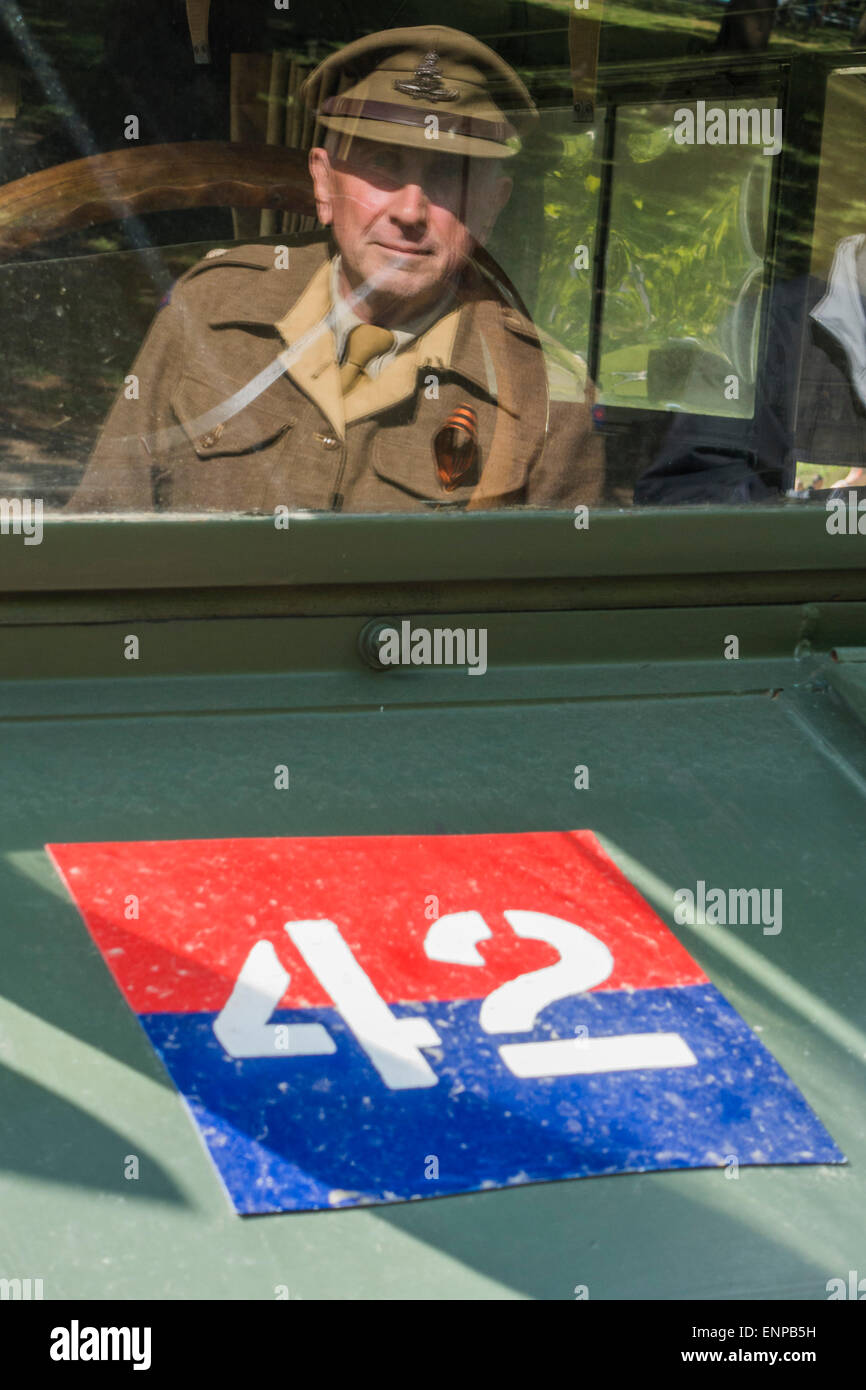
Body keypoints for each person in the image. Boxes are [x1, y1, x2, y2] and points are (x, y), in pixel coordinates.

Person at [68, 26, 603, 514]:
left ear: (489, 207)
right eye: (382, 164)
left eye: (447, 175)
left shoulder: (542, 392)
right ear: (323, 184)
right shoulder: (211, 311)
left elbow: (550, 608)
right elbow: (99, 539)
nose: (410, 211)